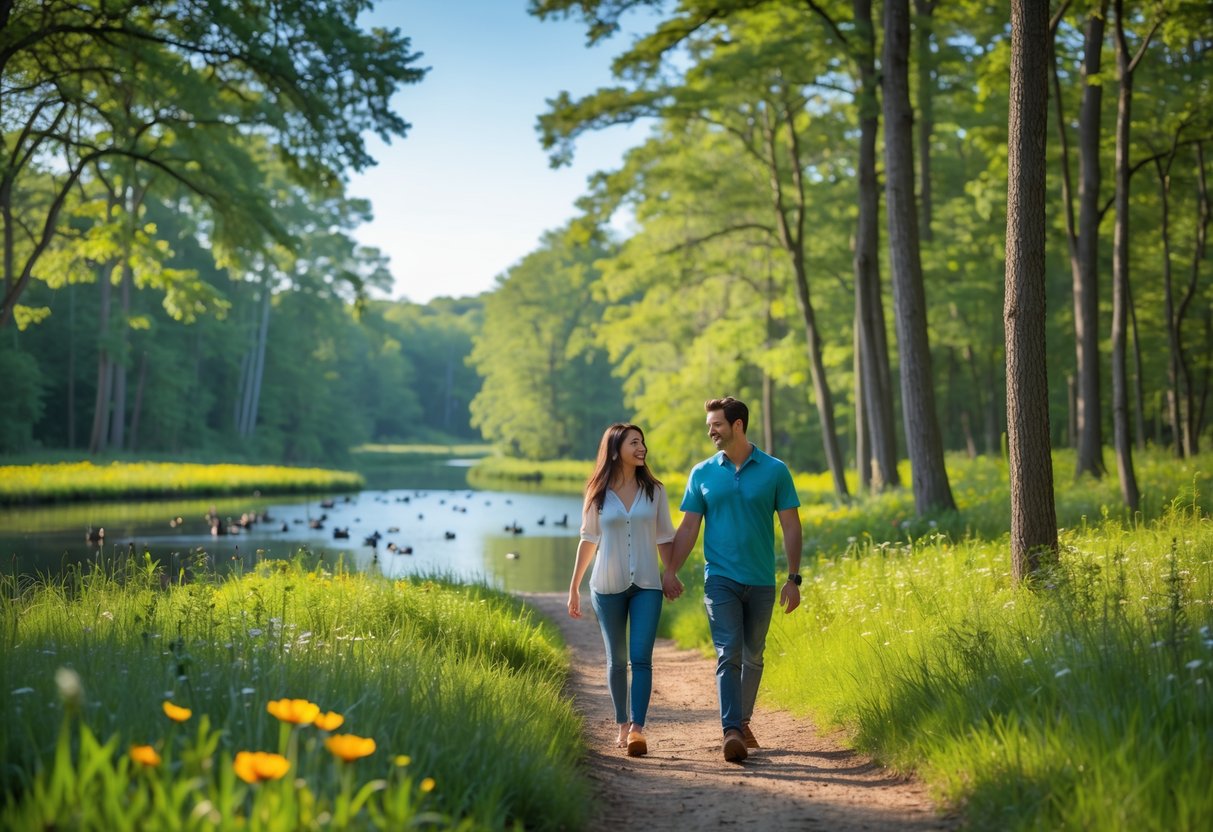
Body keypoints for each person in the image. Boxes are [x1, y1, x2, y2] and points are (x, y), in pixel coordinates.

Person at [662, 396, 802, 763]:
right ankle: (732, 732)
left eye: (717, 425)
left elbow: (790, 525)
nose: (711, 432)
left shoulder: (775, 470)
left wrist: (793, 578)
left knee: (754, 655)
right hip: (719, 578)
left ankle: (741, 721)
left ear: (737, 425)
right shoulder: (702, 473)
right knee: (729, 653)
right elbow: (689, 526)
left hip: (761, 581)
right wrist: (670, 570)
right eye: (710, 425)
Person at [568, 422, 677, 757]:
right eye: (634, 443)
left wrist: (671, 573)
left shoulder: (655, 491)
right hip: (607, 585)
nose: (642, 448)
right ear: (616, 450)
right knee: (617, 659)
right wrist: (573, 588)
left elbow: (664, 538)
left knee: (641, 658)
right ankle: (620, 724)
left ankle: (637, 730)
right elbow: (588, 540)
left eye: (643, 442)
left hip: (647, 584)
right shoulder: (597, 493)